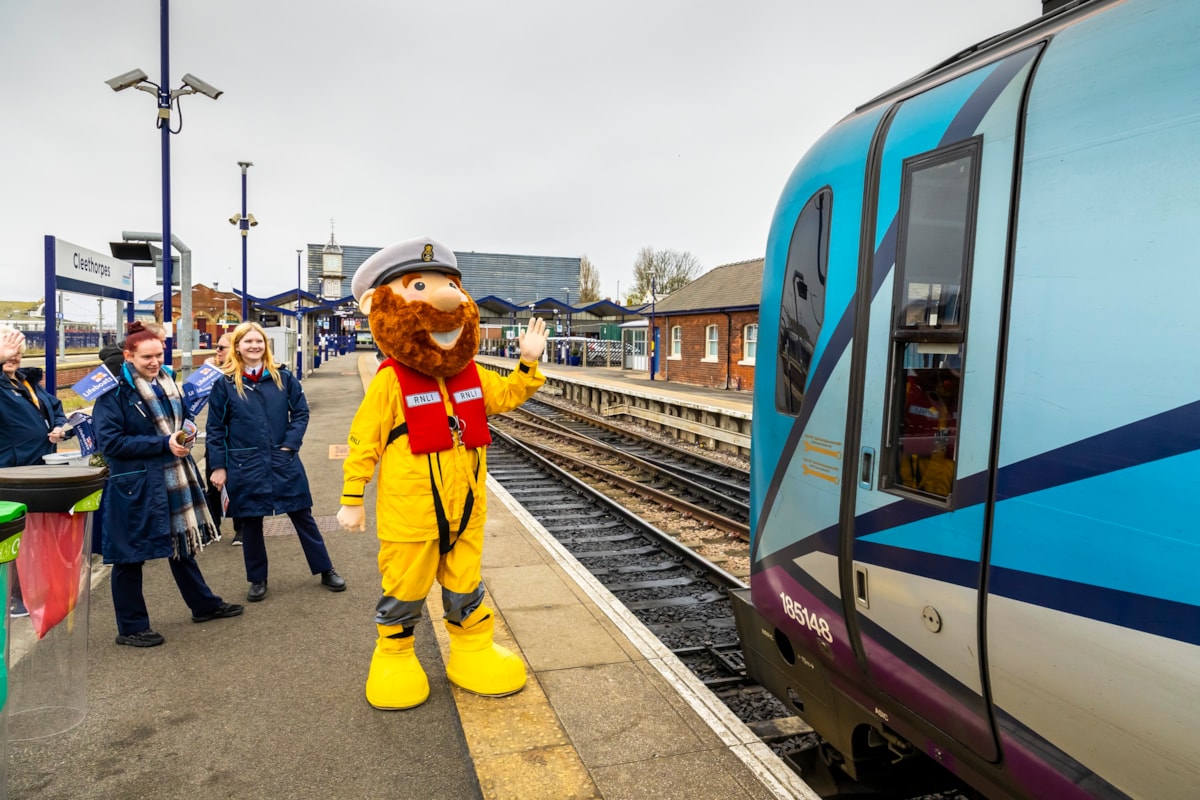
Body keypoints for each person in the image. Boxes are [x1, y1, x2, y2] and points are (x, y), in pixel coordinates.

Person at [337, 236, 547, 711]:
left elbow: (509, 394)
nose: (449, 298)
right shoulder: (391, 381)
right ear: (379, 305)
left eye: (451, 285)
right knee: (405, 588)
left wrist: (528, 361)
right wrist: (353, 499)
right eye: (420, 286)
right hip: (409, 516)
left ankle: (470, 649)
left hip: (466, 511)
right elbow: (363, 441)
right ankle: (394, 655)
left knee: (465, 583)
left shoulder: (472, 374)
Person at [92, 321, 243, 648]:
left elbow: (181, 421)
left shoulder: (167, 382)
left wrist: (183, 437)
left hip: (173, 476)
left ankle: (203, 605)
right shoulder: (114, 392)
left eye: (159, 355)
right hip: (136, 486)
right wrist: (162, 443)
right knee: (129, 557)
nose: (154, 362)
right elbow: (111, 443)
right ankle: (131, 627)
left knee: (182, 547)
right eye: (146, 356)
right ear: (129, 356)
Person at [206, 322, 345, 603]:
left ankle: (325, 568)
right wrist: (219, 467)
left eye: (259, 341)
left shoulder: (282, 378)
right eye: (248, 342)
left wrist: (289, 445)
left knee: (303, 516)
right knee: (252, 522)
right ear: (237, 347)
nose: (254, 346)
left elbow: (301, 413)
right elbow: (216, 429)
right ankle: (257, 578)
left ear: (266, 346)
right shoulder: (225, 384)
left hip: (282, 459)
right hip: (246, 464)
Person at [0, 327, 70, 617]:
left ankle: (31, 590)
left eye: (17, 351)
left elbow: (56, 408)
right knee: (14, 534)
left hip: (39, 467)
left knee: (35, 535)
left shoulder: (28, 382)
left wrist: (60, 428)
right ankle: (14, 597)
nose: (13, 356)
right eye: (6, 351)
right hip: (11, 471)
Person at [201, 334, 242, 545]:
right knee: (213, 484)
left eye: (222, 348)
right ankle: (213, 527)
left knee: (239, 485)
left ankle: (241, 529)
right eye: (217, 348)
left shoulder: (239, 375)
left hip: (238, 441)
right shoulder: (211, 374)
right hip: (217, 438)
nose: (217, 352)